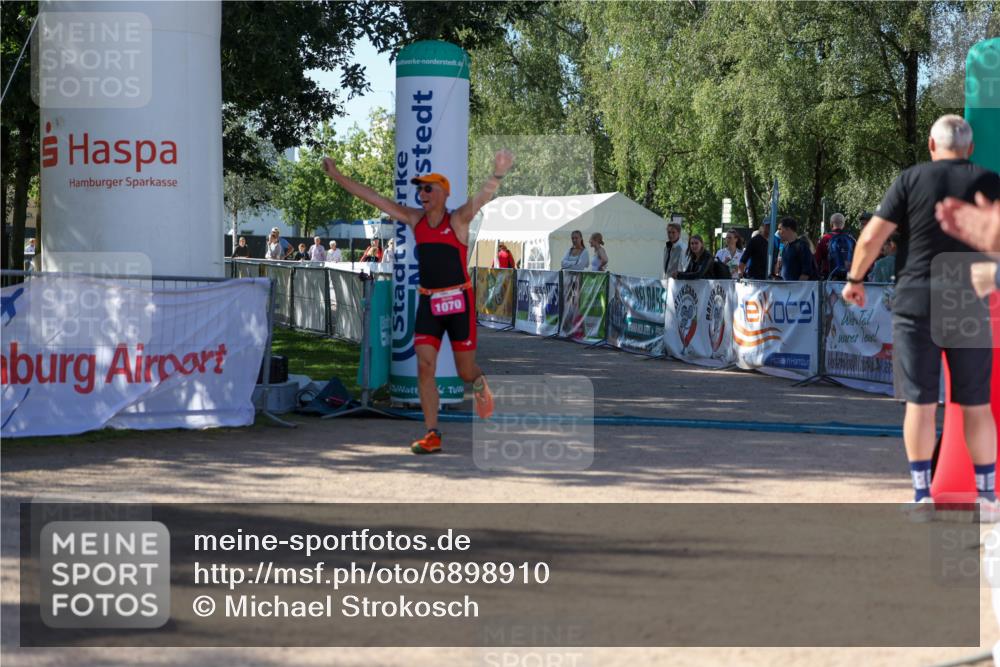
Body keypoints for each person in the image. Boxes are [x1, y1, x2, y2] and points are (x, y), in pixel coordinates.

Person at [841, 114, 1000, 520]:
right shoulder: (989, 181)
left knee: (921, 403)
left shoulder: (910, 180)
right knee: (976, 404)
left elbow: (873, 236)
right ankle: (986, 499)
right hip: (968, 299)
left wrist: (855, 279)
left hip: (917, 301)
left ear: (932, 145)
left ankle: (922, 496)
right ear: (970, 148)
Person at [322, 149, 514, 454]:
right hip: (428, 302)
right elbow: (375, 199)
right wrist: (337, 176)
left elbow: (483, 198)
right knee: (425, 367)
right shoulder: (415, 219)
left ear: (443, 193)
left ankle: (479, 382)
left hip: (459, 302)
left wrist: (498, 172)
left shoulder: (459, 219)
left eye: (428, 188)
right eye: (419, 189)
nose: (421, 194)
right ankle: (432, 432)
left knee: (465, 372)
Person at [814, 213, 856, 280]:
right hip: (847, 279)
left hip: (830, 278)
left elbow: (817, 261)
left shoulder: (825, 239)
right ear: (843, 224)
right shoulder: (851, 239)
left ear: (831, 224)